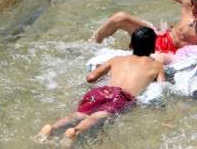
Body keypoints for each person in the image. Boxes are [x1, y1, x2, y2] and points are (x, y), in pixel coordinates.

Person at [34, 27, 164, 145]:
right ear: (153, 48)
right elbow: (161, 88)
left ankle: (52, 128)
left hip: (101, 91)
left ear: (130, 45)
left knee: (79, 115)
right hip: (121, 96)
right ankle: (75, 131)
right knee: (98, 116)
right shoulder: (157, 65)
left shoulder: (116, 59)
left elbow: (91, 78)